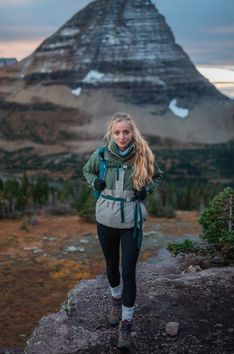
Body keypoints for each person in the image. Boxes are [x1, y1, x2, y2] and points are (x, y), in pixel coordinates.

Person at [83, 112, 163, 350]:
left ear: (132, 132)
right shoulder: (100, 155)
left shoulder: (142, 154)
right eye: (117, 132)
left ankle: (126, 324)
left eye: (126, 132)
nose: (121, 136)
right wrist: (94, 182)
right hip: (105, 220)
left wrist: (146, 190)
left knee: (128, 271)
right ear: (111, 133)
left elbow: (157, 176)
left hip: (132, 223)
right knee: (111, 265)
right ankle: (115, 301)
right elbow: (87, 171)